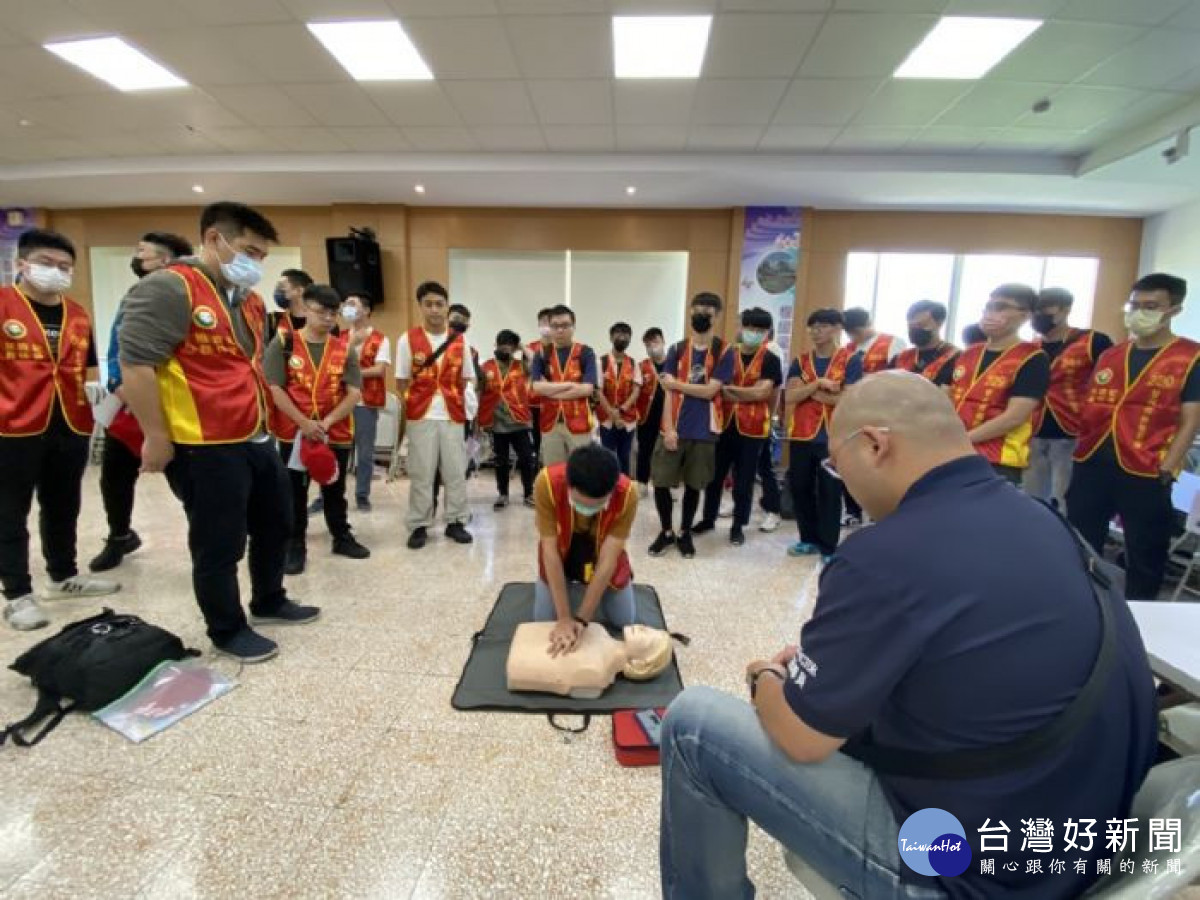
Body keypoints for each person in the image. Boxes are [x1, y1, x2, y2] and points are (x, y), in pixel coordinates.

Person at [659, 371, 1158, 900]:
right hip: (1082, 846)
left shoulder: (885, 553)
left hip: (966, 869)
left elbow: (802, 738)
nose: (841, 481)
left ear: (874, 444)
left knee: (694, 727)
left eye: (836, 464)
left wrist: (764, 677)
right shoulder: (1045, 520)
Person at [119, 202, 320, 663]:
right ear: (213, 239)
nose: (256, 264)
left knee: (276, 522)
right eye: (249, 250)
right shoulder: (169, 288)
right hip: (202, 443)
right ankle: (227, 628)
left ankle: (269, 598)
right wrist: (155, 435)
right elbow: (137, 366)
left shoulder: (247, 300)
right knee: (219, 540)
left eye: (262, 257)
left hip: (253, 434)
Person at [1, 229, 118, 631]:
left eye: (65, 267)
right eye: (47, 264)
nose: (57, 273)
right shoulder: (4, 306)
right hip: (12, 425)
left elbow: (84, 369)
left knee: (63, 503)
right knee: (9, 512)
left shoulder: (78, 315)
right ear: (22, 265)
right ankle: (17, 595)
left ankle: (63, 575)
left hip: (69, 422)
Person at [1070, 273, 1200, 602]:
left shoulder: (1189, 358)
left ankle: (1141, 613)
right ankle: (1085, 604)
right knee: (1081, 541)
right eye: (1135, 305)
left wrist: (1170, 465)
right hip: (1093, 459)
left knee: (1145, 549)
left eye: (1151, 306)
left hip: (1146, 465)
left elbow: (1191, 418)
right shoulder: (1112, 355)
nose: (1140, 312)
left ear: (1174, 309)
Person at [90, 230, 194, 573]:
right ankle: (120, 535)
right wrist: (119, 385)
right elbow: (119, 348)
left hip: (168, 403)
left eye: (142, 252)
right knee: (115, 475)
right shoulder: (134, 294)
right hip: (126, 403)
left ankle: (208, 540)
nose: (136, 257)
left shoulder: (184, 297)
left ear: (166, 261)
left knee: (185, 477)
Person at [265, 284, 370, 575]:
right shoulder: (284, 343)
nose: (327, 318)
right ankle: (295, 544)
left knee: (334, 488)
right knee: (295, 492)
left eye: (333, 313)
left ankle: (341, 537)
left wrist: (325, 423)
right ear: (306, 309)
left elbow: (353, 393)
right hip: (294, 432)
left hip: (333, 431)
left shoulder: (343, 348)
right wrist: (304, 423)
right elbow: (275, 388)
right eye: (321, 311)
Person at [648, 292, 734, 560]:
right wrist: (668, 428)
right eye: (697, 310)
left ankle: (685, 531)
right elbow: (668, 393)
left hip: (704, 430)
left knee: (695, 484)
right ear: (690, 313)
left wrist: (677, 384)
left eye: (708, 312)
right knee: (661, 482)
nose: (702, 316)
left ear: (717, 316)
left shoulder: (725, 351)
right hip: (674, 427)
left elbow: (710, 391)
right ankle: (666, 531)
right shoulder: (677, 349)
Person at [533, 444, 638, 659]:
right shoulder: (547, 483)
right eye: (581, 504)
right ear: (569, 486)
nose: (589, 510)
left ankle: (583, 594)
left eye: (598, 505)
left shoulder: (627, 494)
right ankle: (568, 591)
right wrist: (563, 618)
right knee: (543, 621)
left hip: (599, 554)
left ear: (611, 490)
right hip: (562, 555)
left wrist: (582, 618)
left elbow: (609, 560)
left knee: (624, 620)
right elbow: (550, 552)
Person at [396, 281, 475, 550]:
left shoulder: (461, 342)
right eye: (428, 304)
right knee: (421, 472)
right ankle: (419, 524)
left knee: (455, 471)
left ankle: (456, 521)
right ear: (420, 306)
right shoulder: (407, 339)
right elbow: (402, 381)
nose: (434, 309)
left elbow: (466, 380)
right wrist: (415, 407)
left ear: (447, 307)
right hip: (421, 414)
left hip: (452, 414)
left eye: (439, 304)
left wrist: (453, 402)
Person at [695, 307, 783, 546]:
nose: (754, 332)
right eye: (750, 327)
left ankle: (738, 525)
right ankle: (708, 518)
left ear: (767, 332)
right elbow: (712, 386)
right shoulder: (725, 354)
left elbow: (764, 392)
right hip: (722, 425)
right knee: (714, 477)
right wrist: (747, 393)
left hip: (753, 428)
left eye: (760, 329)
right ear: (741, 326)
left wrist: (727, 390)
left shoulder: (771, 359)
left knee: (744, 480)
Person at [949, 284, 1049, 484]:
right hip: (955, 452)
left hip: (998, 459)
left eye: (1002, 307)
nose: (991, 313)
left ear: (1025, 315)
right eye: (989, 306)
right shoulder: (969, 353)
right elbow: (949, 399)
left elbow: (1014, 417)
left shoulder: (1032, 357)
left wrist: (964, 439)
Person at [1024, 287, 1112, 513]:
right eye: (1035, 311)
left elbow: (1109, 383)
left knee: (1065, 501)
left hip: (1074, 430)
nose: (1039, 315)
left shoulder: (1093, 341)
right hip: (1033, 430)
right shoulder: (1029, 347)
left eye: (1046, 309)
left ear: (1065, 310)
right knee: (1032, 502)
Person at [783, 308, 861, 561]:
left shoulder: (850, 360)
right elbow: (790, 396)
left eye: (823, 326)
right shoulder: (801, 360)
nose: (817, 332)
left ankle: (828, 546)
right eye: (813, 327)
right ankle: (808, 539)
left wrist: (809, 391)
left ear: (838, 328)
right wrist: (817, 384)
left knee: (830, 490)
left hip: (833, 436)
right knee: (800, 487)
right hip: (801, 434)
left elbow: (848, 399)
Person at [530, 304, 597, 467]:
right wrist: (570, 386)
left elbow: (587, 389)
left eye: (565, 325)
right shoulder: (541, 354)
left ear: (573, 327)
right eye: (555, 326)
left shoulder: (585, 352)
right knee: (554, 474)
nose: (560, 330)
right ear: (550, 328)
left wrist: (550, 390)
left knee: (582, 472)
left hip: (579, 422)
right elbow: (536, 387)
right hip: (550, 423)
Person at [341, 291, 390, 512]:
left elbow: (379, 370)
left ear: (367, 310)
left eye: (353, 304)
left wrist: (348, 375)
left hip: (365, 401)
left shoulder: (380, 338)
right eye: (346, 304)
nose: (347, 307)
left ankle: (362, 495)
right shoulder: (339, 337)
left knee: (365, 452)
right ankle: (329, 495)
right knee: (337, 451)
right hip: (339, 402)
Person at [478, 329, 537, 510]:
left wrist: (520, 346)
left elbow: (537, 362)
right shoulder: (486, 366)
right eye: (502, 345)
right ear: (496, 345)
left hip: (519, 420)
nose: (505, 349)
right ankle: (503, 494)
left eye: (509, 346)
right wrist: (477, 420)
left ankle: (529, 493)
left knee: (527, 459)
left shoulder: (521, 365)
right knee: (501, 461)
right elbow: (479, 392)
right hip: (496, 423)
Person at [597, 322, 642, 476]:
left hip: (627, 418)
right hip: (606, 418)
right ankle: (608, 488)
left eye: (626, 334)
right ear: (611, 337)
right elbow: (598, 391)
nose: (622, 337)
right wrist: (612, 413)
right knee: (607, 455)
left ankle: (624, 490)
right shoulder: (601, 362)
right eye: (618, 333)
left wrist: (621, 410)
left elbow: (636, 390)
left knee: (625, 455)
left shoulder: (634, 363)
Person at [890, 299, 958, 386]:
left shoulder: (955, 358)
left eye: (920, 325)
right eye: (911, 327)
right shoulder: (900, 358)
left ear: (939, 323)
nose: (915, 330)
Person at [634, 327, 667, 497]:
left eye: (655, 342)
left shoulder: (675, 364)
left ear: (663, 342)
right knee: (645, 451)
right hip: (646, 416)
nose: (652, 346)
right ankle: (642, 483)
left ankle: (669, 485)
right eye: (648, 344)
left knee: (668, 452)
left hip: (669, 417)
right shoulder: (641, 366)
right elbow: (635, 391)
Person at [528, 307, 553, 461]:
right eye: (542, 322)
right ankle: (538, 468)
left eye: (549, 322)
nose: (546, 325)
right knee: (536, 438)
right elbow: (528, 371)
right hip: (535, 401)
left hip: (554, 400)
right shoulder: (530, 347)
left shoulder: (560, 347)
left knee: (551, 437)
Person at [271, 268, 312, 340]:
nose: (277, 291)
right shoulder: (272, 321)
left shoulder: (323, 322)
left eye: (281, 286)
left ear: (299, 291)